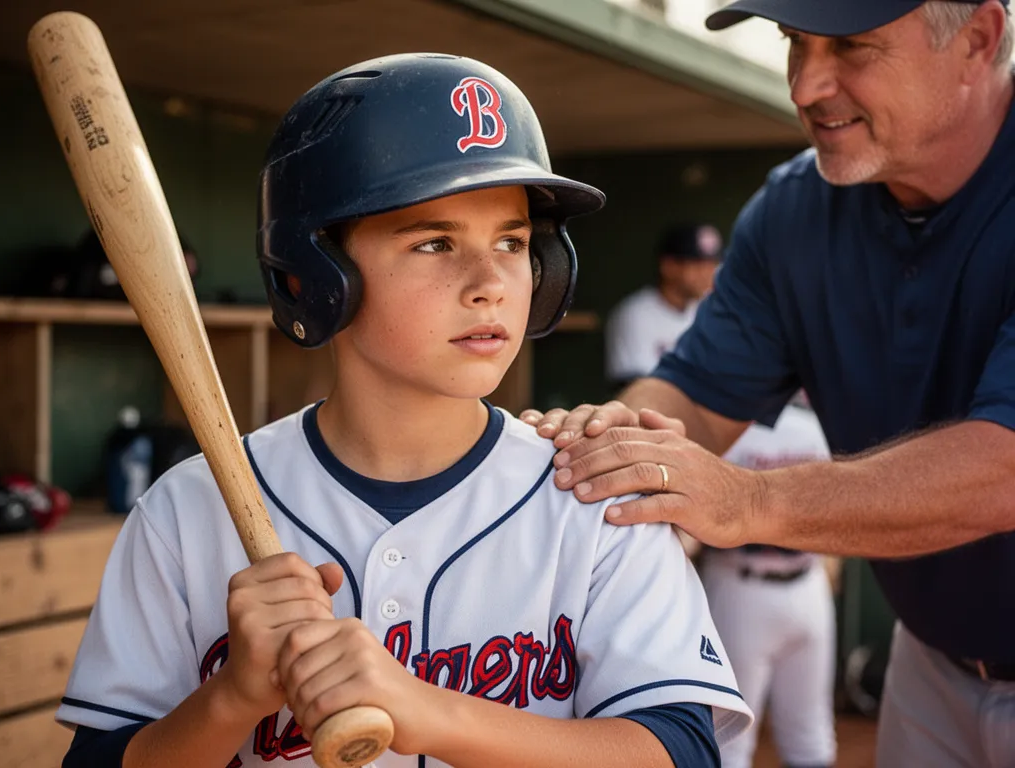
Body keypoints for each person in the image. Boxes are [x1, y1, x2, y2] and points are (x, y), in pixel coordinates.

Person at [55, 54, 752, 768]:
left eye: (511, 242)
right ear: (315, 274)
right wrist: (231, 698)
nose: (490, 284)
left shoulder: (596, 498)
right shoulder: (186, 511)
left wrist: (427, 711)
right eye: (435, 242)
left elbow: (682, 753)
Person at [520, 2, 1015, 766]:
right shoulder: (795, 209)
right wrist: (598, 441)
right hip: (935, 661)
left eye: (852, 46)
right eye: (794, 42)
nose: (807, 85)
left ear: (978, 38)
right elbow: (692, 396)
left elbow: (1003, 470)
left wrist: (746, 501)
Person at [700, 396, 838, 768]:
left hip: (808, 585)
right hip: (741, 586)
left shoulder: (814, 426)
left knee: (811, 736)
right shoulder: (723, 430)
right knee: (728, 740)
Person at [605, 224, 722, 390]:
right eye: (698, 264)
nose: (709, 273)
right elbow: (634, 389)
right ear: (669, 266)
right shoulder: (635, 314)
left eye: (713, 264)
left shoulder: (710, 312)